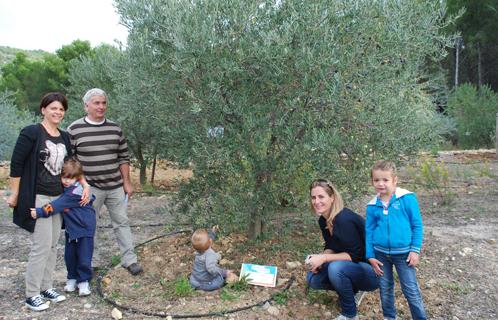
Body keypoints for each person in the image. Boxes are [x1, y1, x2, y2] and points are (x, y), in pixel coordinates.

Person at [7, 92, 90, 311]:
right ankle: (31, 294)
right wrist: (14, 194)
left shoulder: (63, 137)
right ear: (43, 109)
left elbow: (72, 164)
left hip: (59, 198)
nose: (57, 112)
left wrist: (85, 184)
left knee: (53, 245)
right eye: (53, 108)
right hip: (38, 196)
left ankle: (46, 287)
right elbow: (16, 165)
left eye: (61, 109)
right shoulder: (32, 133)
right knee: (41, 246)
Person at [67, 88, 143, 275]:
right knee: (88, 226)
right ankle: (87, 264)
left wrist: (127, 182)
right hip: (90, 188)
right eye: (96, 103)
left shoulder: (115, 128)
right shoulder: (74, 129)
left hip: (115, 186)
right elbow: (70, 162)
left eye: (103, 103)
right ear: (86, 106)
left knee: (122, 223)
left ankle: (129, 260)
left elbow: (123, 158)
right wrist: (78, 185)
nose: (101, 106)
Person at [306, 179, 379, 320]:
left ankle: (350, 314)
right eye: (313, 197)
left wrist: (325, 258)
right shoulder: (323, 220)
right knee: (313, 279)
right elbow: (331, 246)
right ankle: (352, 291)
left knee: (336, 268)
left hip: (373, 272)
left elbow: (356, 255)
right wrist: (319, 259)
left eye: (321, 197)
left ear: (332, 198)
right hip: (353, 266)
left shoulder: (343, 219)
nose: (316, 201)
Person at [366, 160, 426, 320]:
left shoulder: (406, 198)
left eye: (385, 180)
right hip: (380, 255)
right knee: (385, 288)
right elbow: (369, 231)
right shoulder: (372, 205)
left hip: (404, 254)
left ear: (395, 180)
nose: (380, 184)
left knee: (410, 289)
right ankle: (389, 317)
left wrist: (415, 249)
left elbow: (417, 225)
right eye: (376, 180)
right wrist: (370, 255)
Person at [31, 159, 96, 297]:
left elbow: (56, 205)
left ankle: (83, 281)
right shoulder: (69, 188)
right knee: (70, 256)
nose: (66, 181)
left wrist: (39, 212)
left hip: (84, 229)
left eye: (70, 178)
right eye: (64, 177)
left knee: (84, 256)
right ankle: (72, 278)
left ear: (77, 178)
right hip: (72, 229)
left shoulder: (75, 193)